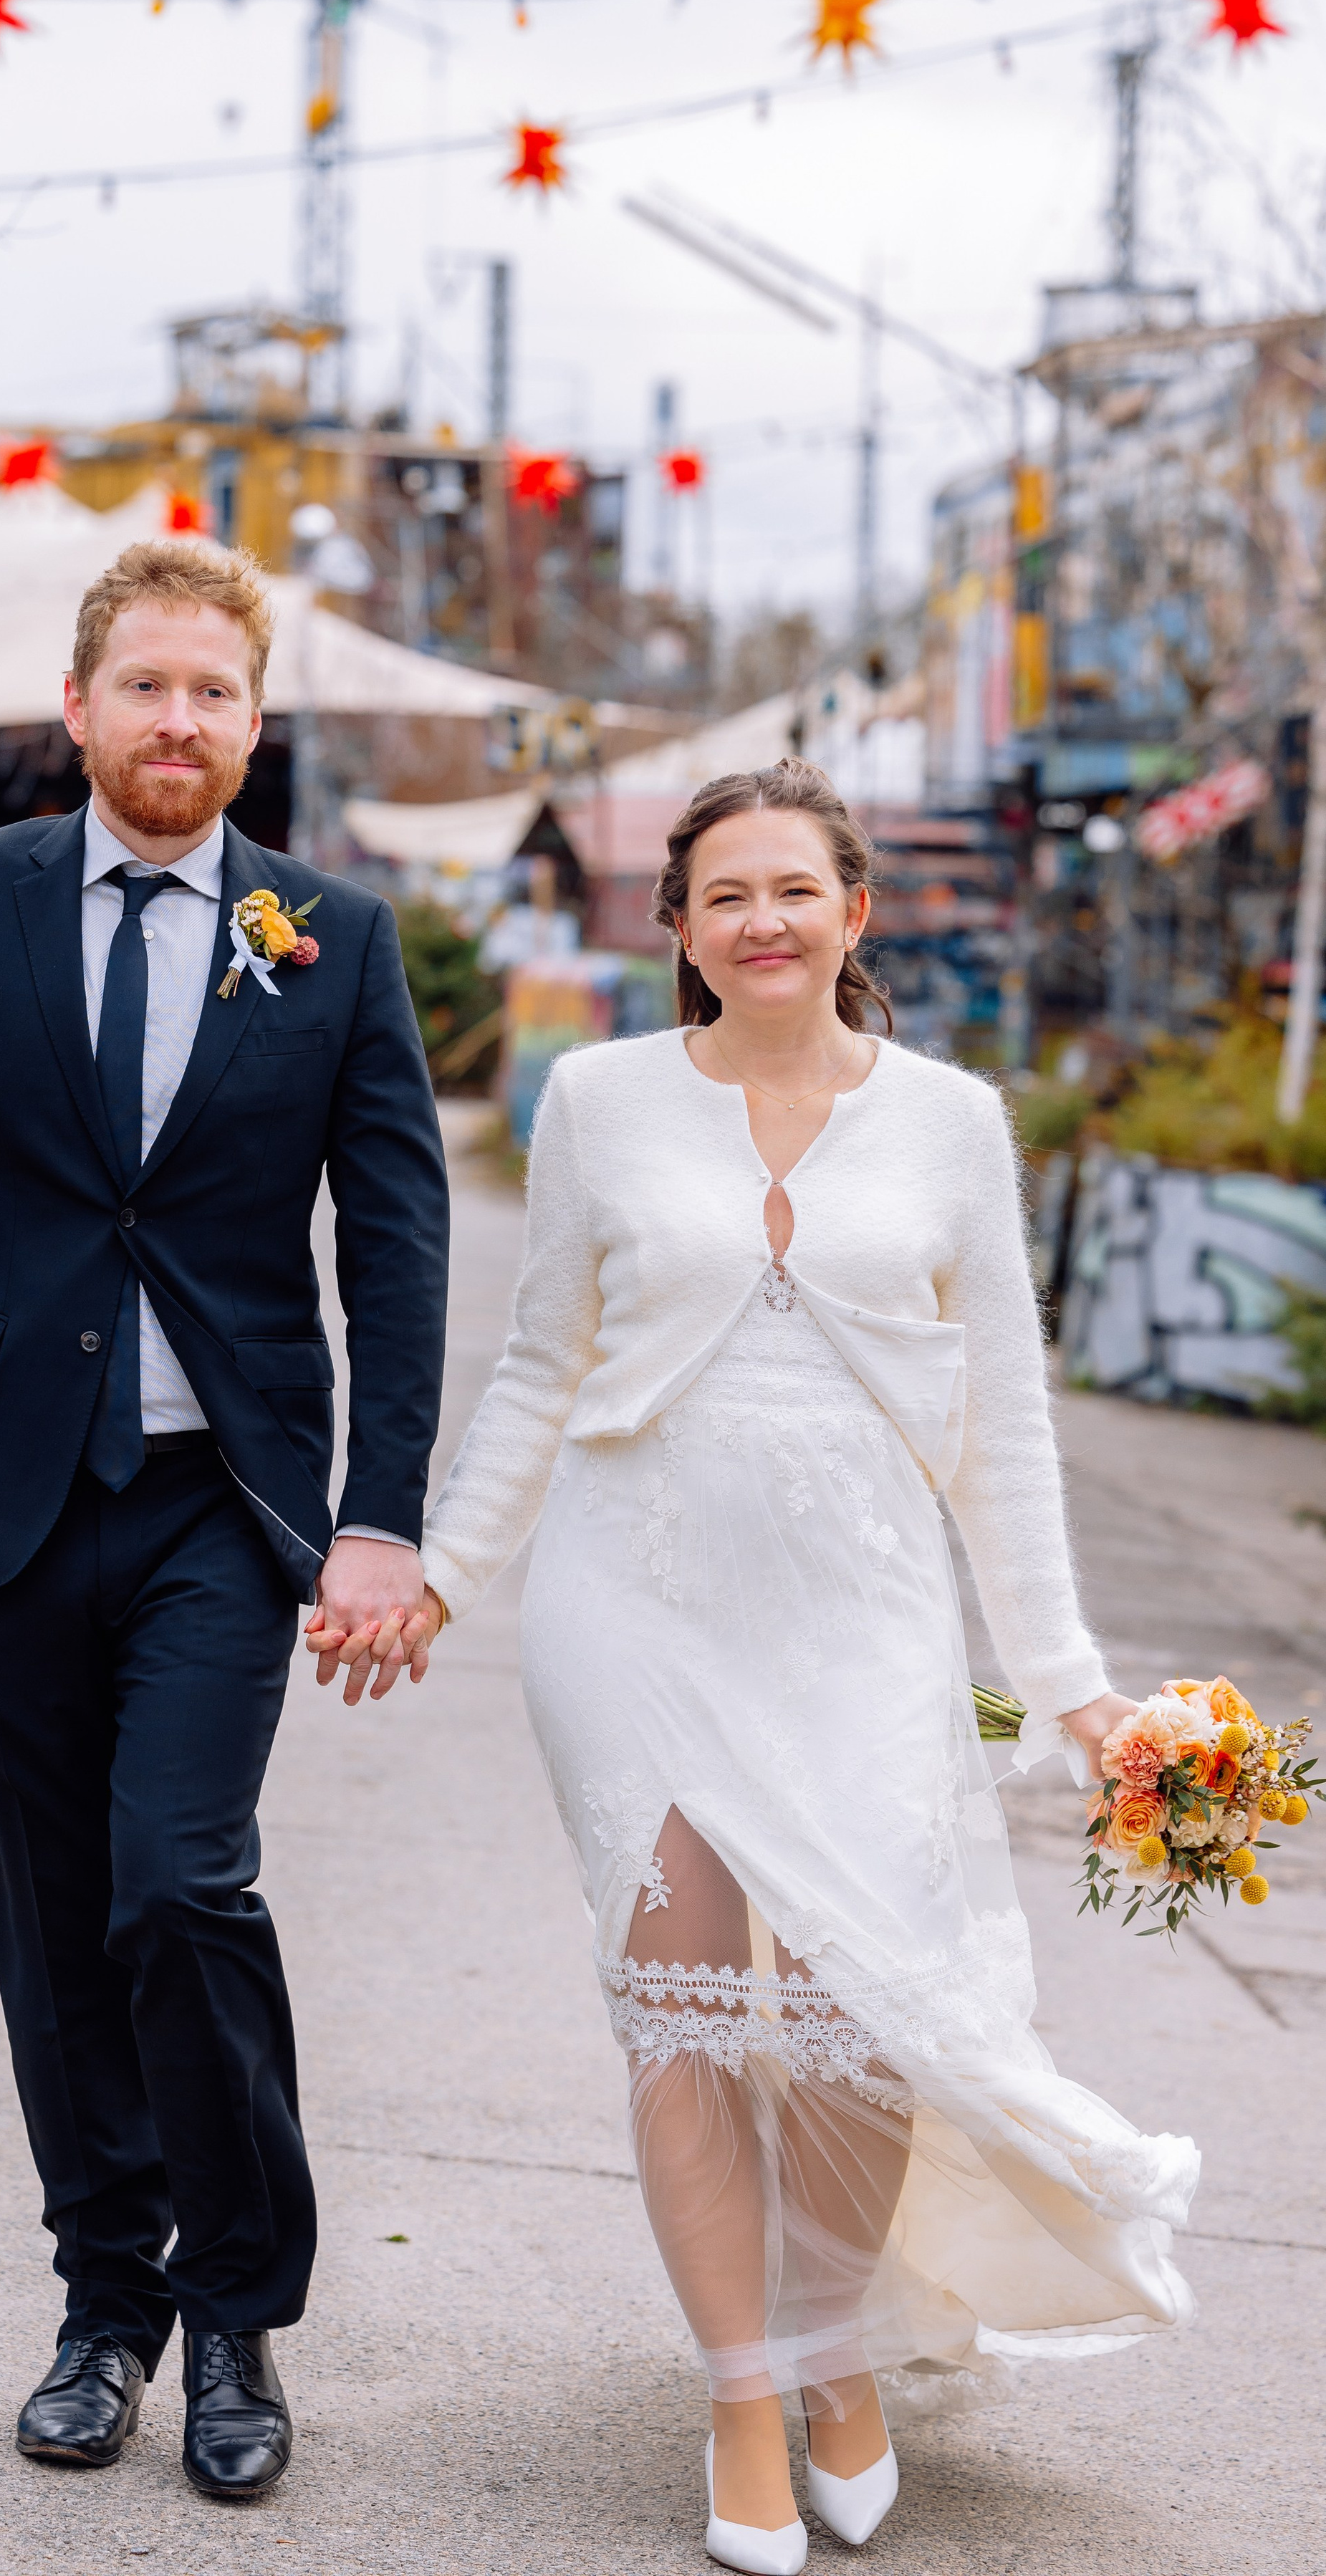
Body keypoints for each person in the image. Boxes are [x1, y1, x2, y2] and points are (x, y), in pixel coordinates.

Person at [342, 761, 1196, 2572]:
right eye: (721, 895)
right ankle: (744, 2383)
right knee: (682, 2018)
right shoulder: (596, 1100)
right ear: (677, 929)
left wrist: (1069, 1682)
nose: (760, 921)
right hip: (630, 1603)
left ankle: (837, 2357)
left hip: (863, 1614)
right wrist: (441, 1575)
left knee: (844, 2021)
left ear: (852, 911)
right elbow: (537, 1365)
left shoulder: (956, 1124)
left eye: (792, 890)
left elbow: (1006, 1431)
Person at [0, 537, 448, 2504]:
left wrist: (380, 1521)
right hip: (5, 1492)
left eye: (217, 694)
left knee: (177, 1882)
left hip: (218, 1507)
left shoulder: (331, 937)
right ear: (79, 708)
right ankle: (107, 2308)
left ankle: (239, 2315)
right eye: (149, 685)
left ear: (256, 729)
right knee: (45, 1923)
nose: (183, 722)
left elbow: (403, 1249)